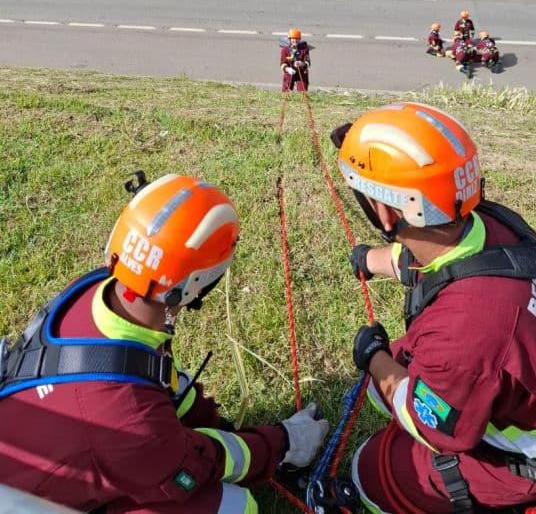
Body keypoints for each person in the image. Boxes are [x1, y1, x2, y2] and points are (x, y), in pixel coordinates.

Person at [0, 172, 330, 513]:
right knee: (231, 505)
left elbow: (159, 372)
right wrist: (283, 444)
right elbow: (199, 464)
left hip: (40, 461)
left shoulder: (95, 292)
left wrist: (216, 423)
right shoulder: (133, 422)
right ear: (199, 284)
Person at [329, 104, 536, 514]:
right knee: (386, 384)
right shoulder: (491, 226)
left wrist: (373, 357)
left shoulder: (465, 334)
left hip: (523, 460)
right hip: (529, 373)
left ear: (384, 212)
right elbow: (429, 260)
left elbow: (431, 424)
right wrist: (370, 260)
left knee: (368, 469)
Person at [280, 28, 311, 92]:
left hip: (302, 73)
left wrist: (302, 64)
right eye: (293, 38)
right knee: (286, 90)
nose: (295, 40)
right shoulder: (285, 50)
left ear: (299, 39)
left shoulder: (304, 49)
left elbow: (308, 62)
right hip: (290, 72)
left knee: (303, 92)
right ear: (290, 39)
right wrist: (287, 69)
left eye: (297, 38)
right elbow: (282, 64)